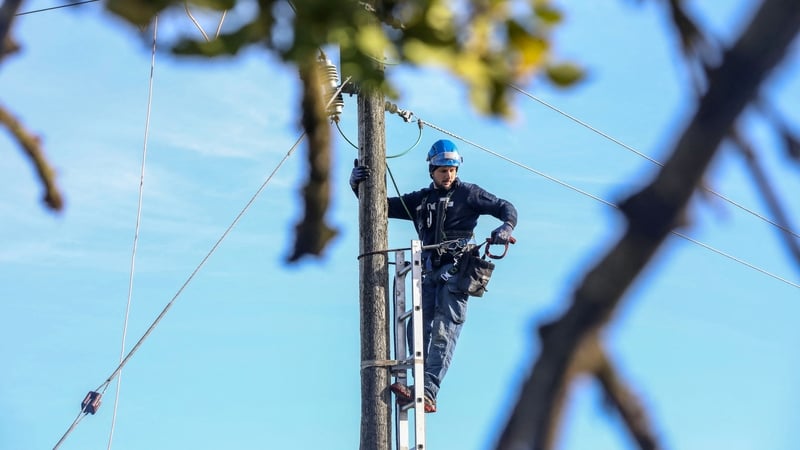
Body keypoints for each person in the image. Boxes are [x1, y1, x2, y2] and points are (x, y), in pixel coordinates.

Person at [349, 139, 518, 413]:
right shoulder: (422, 200)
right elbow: (381, 206)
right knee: (415, 328)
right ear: (432, 170)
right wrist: (358, 186)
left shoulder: (469, 194)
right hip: (427, 273)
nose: (448, 175)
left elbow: (505, 207)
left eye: (452, 169)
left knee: (443, 332)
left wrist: (506, 226)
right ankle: (415, 386)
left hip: (456, 273)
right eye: (443, 170)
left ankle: (427, 391)